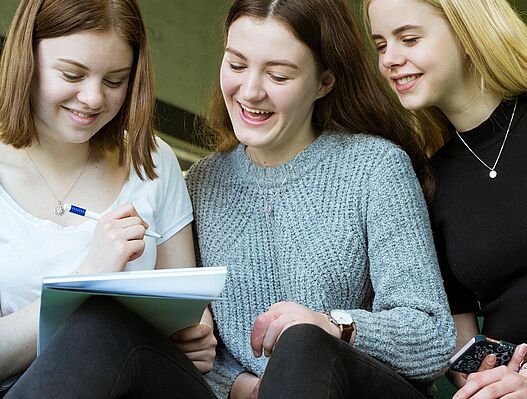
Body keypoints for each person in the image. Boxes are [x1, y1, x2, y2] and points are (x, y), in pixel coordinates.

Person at [186, 0, 456, 398]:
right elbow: (191, 346)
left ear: (324, 82)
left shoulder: (376, 167)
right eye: (237, 65)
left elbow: (431, 335)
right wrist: (244, 388)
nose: (250, 91)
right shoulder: (199, 184)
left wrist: (331, 325)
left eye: (278, 75)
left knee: (303, 341)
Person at [364, 0, 527, 398]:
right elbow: (456, 325)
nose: (390, 59)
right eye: (381, 45)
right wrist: (485, 381)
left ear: (469, 33)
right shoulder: (428, 179)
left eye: (408, 38)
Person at [0, 0, 216, 396]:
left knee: (105, 324)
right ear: (26, 59)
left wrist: (198, 333)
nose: (93, 99)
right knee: (96, 319)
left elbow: (186, 302)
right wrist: (86, 280)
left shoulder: (151, 161)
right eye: (72, 74)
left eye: (115, 81)